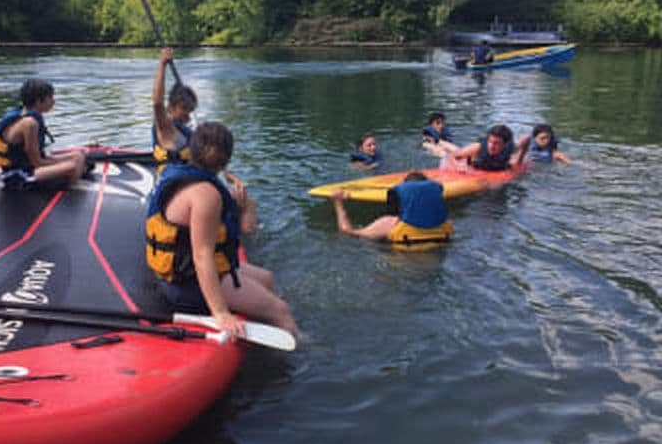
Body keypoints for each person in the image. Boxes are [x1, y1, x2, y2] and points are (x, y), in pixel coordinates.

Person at [146, 121, 298, 339]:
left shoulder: (176, 172)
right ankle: (301, 353)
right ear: (227, 159)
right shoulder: (207, 196)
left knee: (267, 278)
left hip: (182, 271)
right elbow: (202, 256)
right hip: (187, 285)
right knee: (282, 311)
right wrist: (221, 313)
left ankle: (261, 322)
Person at [0, 79, 86, 189]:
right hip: (17, 175)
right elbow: (36, 162)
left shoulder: (26, 114)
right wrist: (62, 164)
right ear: (38, 101)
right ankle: (64, 189)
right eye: (50, 97)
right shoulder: (29, 124)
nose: (53, 101)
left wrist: (69, 160)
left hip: (28, 167)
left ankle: (70, 176)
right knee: (73, 166)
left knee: (77, 156)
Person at [329, 172, 454, 251]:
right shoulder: (446, 226)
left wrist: (338, 203)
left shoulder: (390, 223)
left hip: (401, 273)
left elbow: (347, 233)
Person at [152, 47, 198, 166]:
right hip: (171, 179)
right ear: (170, 108)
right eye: (184, 109)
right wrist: (162, 65)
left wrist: (228, 175)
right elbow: (157, 103)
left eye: (190, 110)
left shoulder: (187, 132)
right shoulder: (165, 126)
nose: (188, 115)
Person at [449, 124, 529, 172]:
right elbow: (452, 156)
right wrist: (459, 166)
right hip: (478, 157)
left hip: (498, 161)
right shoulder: (478, 147)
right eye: (490, 142)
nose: (491, 146)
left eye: (496, 143)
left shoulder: (510, 148)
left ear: (505, 144)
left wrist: (520, 161)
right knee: (472, 158)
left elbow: (526, 139)